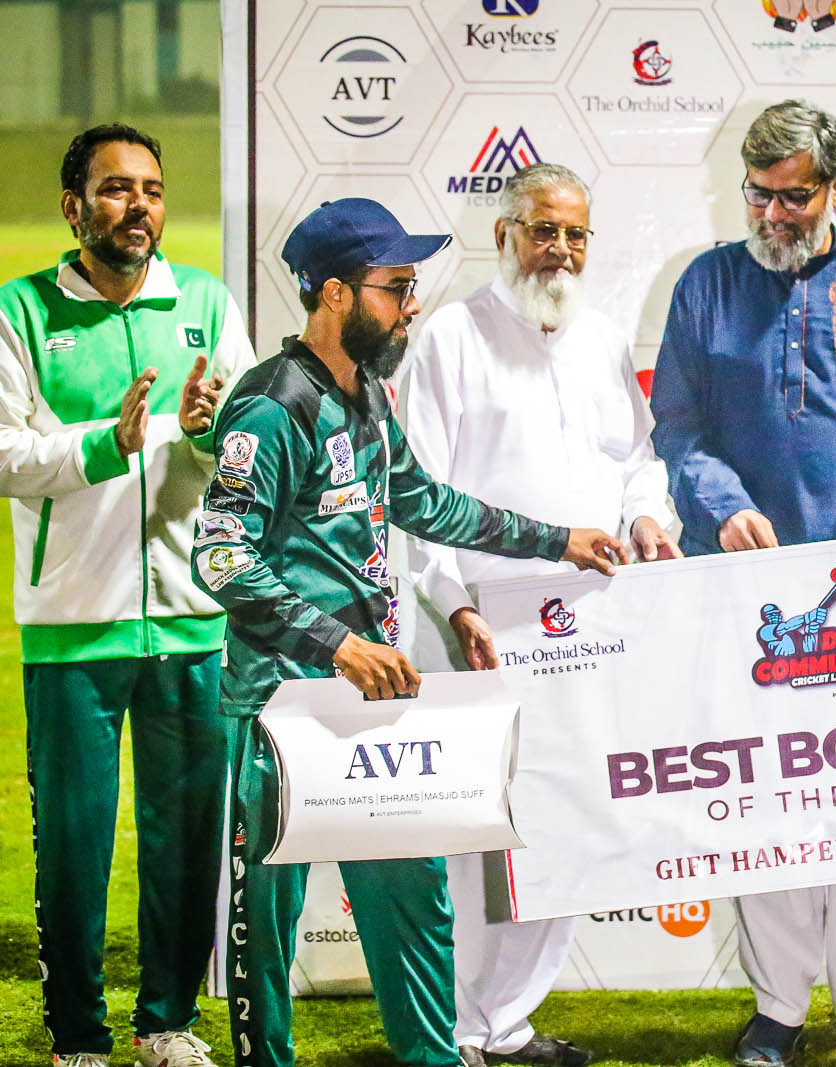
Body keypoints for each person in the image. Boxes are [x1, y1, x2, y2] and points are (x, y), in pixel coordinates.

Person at [194, 197, 628, 1067]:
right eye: (395, 287)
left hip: (372, 705)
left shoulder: (366, 391)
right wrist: (339, 643)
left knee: (416, 906)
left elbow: (426, 502)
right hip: (282, 709)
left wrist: (559, 540)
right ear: (334, 293)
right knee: (264, 932)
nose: (412, 304)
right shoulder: (272, 406)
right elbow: (222, 557)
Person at [650, 98, 836, 1067]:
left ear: (834, 185)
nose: (773, 215)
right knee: (762, 792)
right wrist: (721, 501)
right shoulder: (707, 284)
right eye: (759, 195)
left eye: (793, 197)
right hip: (740, 586)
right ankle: (776, 1004)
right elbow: (677, 427)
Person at [0, 123, 255, 1067]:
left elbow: (247, 453)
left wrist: (209, 434)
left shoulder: (205, 303)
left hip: (190, 620)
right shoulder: (15, 311)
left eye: (152, 190)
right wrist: (106, 444)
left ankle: (166, 1021)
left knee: (189, 838)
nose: (139, 206)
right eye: (117, 188)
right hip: (72, 624)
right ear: (73, 206)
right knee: (74, 844)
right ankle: (80, 1037)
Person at [398, 161, 678, 1067]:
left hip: (590, 631)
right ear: (504, 235)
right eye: (543, 230)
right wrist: (452, 605)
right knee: (469, 837)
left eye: (576, 234)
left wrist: (648, 515)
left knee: (569, 825)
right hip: (481, 630)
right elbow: (417, 498)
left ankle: (504, 1022)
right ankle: (451, 1028)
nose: (560, 249)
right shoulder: (450, 338)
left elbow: (638, 460)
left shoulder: (600, 338)